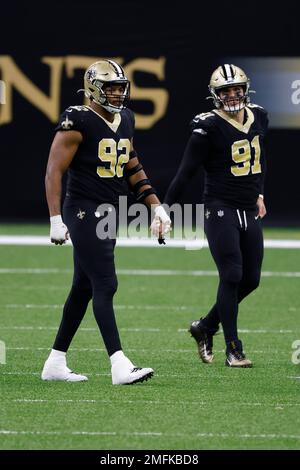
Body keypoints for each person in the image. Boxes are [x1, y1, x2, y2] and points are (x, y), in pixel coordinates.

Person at [41, 59, 171, 384]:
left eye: (119, 88)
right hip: (83, 210)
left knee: (83, 287)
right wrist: (56, 218)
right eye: (109, 88)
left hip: (109, 212)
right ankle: (119, 364)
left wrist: (155, 205)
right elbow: (53, 171)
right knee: (105, 283)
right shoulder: (78, 119)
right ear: (93, 89)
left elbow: (131, 164)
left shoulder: (126, 118)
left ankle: (55, 362)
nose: (116, 94)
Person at [164, 64, 268, 367]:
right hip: (219, 207)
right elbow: (185, 174)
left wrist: (259, 192)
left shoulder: (259, 115)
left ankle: (206, 326)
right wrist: (165, 210)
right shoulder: (206, 127)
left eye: (237, 89)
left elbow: (261, 158)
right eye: (226, 91)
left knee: (251, 279)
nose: (233, 95)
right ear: (216, 95)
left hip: (248, 206)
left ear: (246, 90)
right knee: (232, 273)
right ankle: (233, 348)